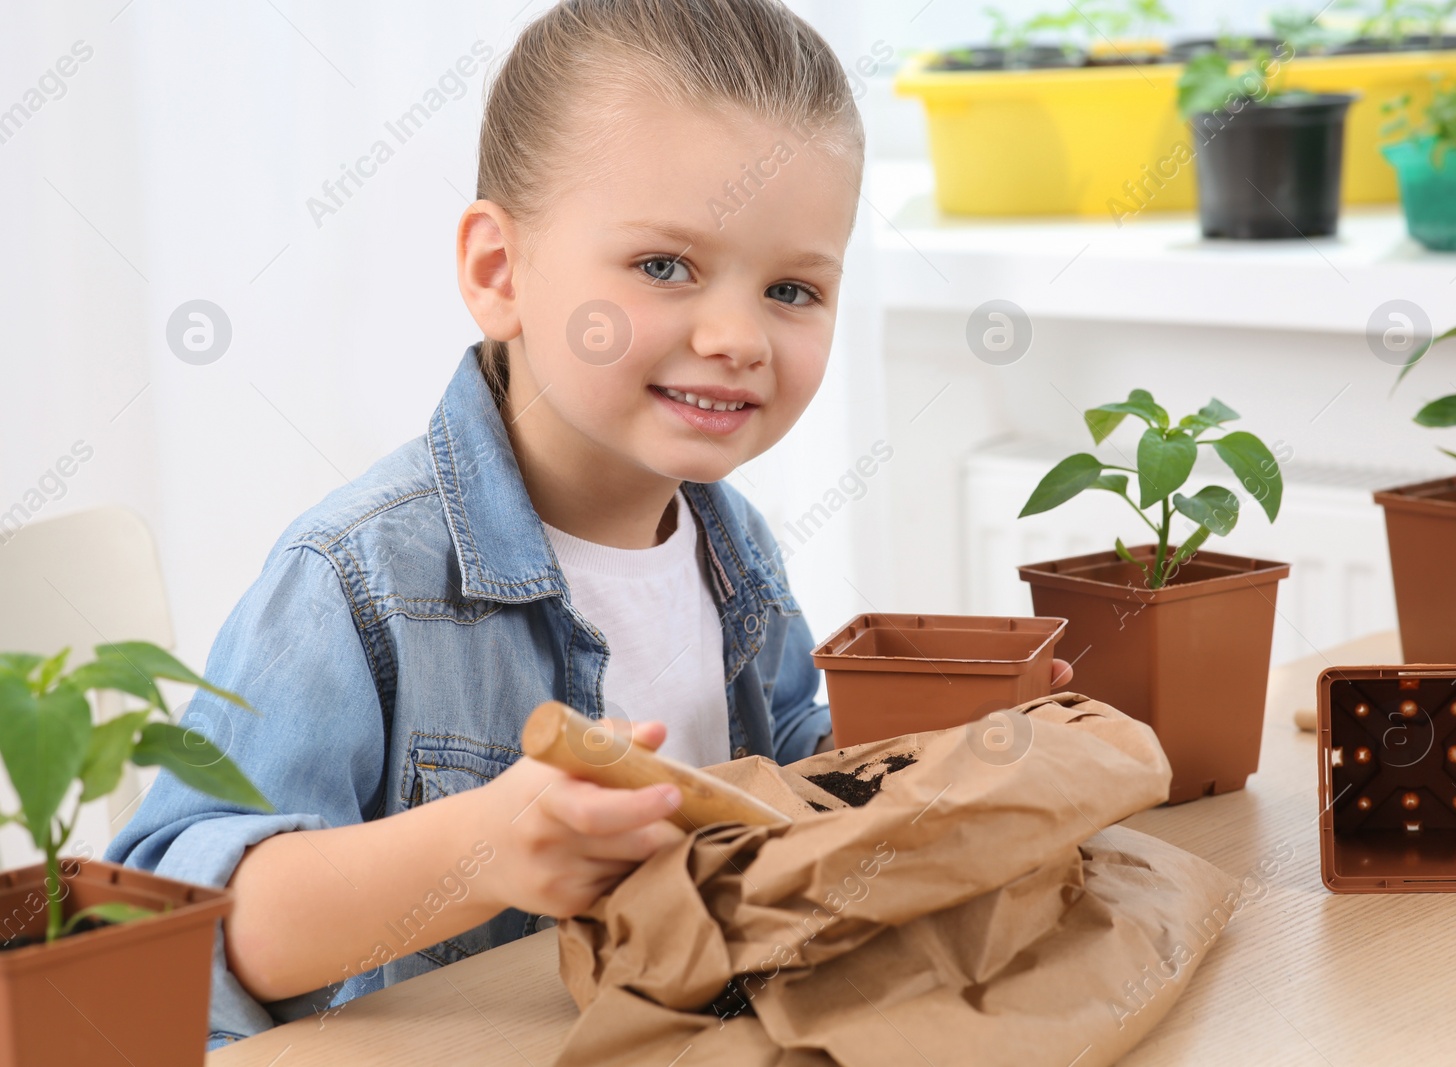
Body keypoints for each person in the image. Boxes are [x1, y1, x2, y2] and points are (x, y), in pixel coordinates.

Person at [107, 0, 1069, 1049]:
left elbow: (790, 801)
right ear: (497, 271)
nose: (737, 335)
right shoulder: (355, 576)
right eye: (664, 266)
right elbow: (171, 938)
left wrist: (945, 752)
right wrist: (484, 845)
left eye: (791, 287)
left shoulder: (734, 546)